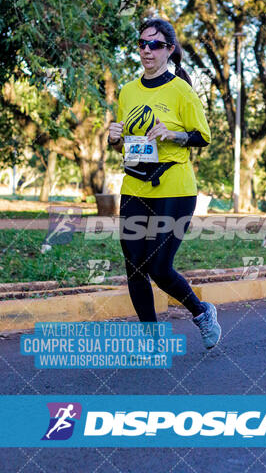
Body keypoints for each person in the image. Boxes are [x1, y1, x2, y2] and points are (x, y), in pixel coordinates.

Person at [107, 18, 221, 350]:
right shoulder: (128, 91)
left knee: (158, 266)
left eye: (154, 45)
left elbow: (203, 136)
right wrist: (114, 139)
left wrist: (172, 134)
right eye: (142, 43)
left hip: (175, 187)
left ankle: (201, 313)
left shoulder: (181, 90)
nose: (146, 50)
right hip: (135, 186)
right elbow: (127, 145)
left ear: (169, 50)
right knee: (134, 266)